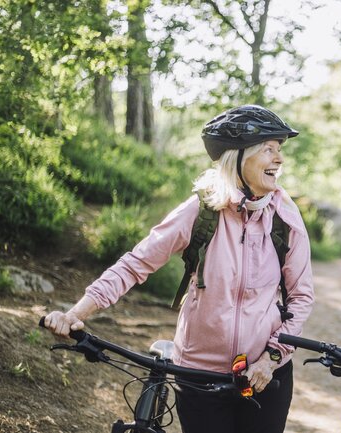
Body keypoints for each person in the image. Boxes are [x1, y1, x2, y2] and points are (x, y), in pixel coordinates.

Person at [43, 105, 315, 433]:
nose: (279, 159)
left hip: (264, 374)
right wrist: (78, 312)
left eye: (279, 150)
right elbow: (135, 264)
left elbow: (300, 297)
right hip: (199, 374)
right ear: (239, 157)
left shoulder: (285, 217)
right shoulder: (200, 212)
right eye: (268, 149)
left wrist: (272, 358)